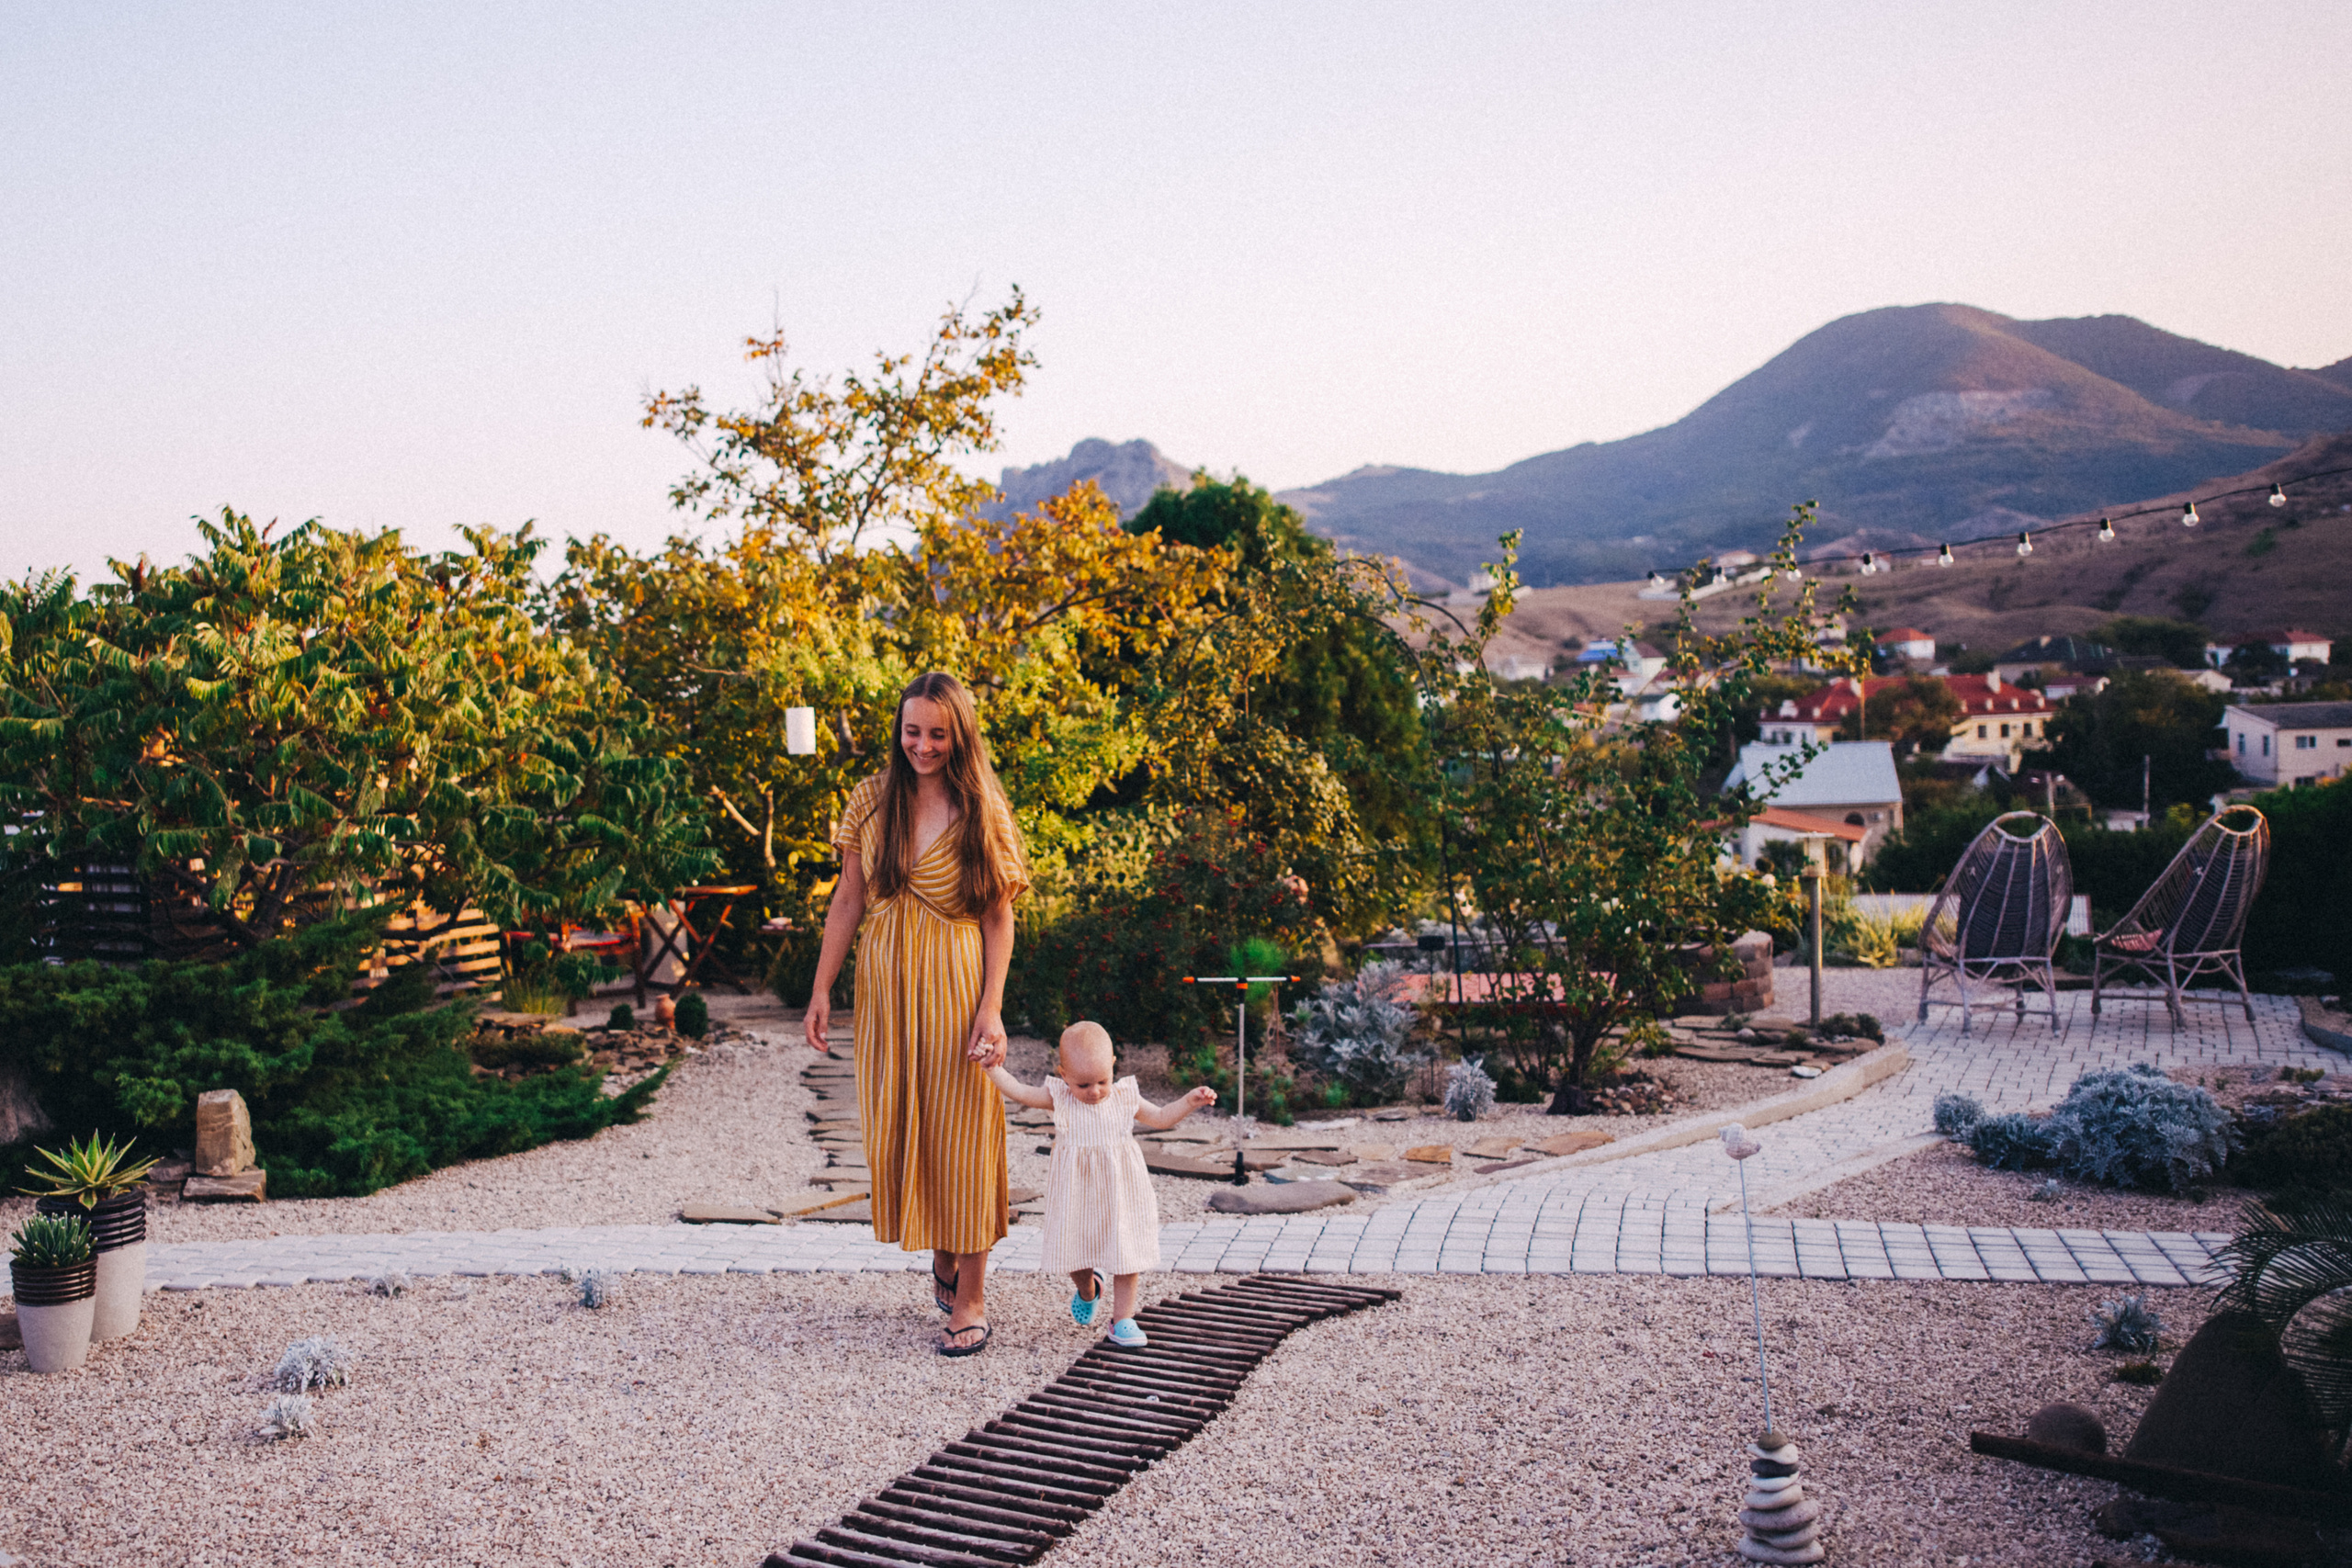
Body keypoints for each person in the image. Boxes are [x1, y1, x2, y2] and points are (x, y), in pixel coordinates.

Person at [805, 672, 1028, 1357]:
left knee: (966, 1132)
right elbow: (848, 899)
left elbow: (998, 916)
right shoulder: (871, 799)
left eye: (936, 733)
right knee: (904, 1130)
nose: (923, 745)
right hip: (886, 991)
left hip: (958, 984)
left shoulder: (981, 806)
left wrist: (991, 1008)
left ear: (958, 734)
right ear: (898, 729)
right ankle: (942, 1250)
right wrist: (821, 989)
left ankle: (972, 1297)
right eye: (912, 730)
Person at [986, 1021, 1216, 1347]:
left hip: (1121, 1191)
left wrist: (1190, 1101)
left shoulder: (1124, 1096)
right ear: (1064, 1075)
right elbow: (1020, 1091)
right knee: (1074, 1253)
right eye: (1083, 1085)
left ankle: (1123, 1319)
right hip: (1075, 1193)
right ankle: (1088, 1287)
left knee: (1126, 1253)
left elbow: (1162, 1116)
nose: (1094, 1092)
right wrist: (993, 1069)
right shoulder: (1060, 1097)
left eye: (1101, 1081)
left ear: (1112, 1067)